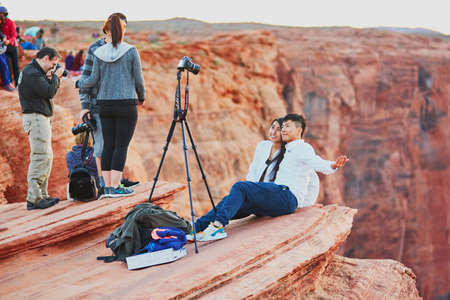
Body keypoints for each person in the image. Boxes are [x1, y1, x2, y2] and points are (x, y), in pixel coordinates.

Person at [190, 113, 349, 241]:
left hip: (286, 196)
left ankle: (217, 227)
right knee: (229, 200)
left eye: (287, 127)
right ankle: (195, 229)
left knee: (240, 187)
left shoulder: (302, 148)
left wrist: (333, 165)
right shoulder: (285, 150)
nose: (283, 130)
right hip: (274, 198)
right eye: (283, 126)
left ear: (299, 130)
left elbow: (317, 163)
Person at [78, 13, 145, 198]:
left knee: (108, 146)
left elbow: (92, 79)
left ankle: (107, 187)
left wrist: (79, 83)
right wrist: (142, 97)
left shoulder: (99, 52)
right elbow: (139, 79)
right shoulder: (131, 51)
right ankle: (116, 188)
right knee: (121, 146)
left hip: (104, 105)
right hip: (126, 104)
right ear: (123, 29)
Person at [18, 47, 65, 210]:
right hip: (36, 118)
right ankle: (34, 198)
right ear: (45, 58)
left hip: (40, 118)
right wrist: (56, 77)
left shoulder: (35, 72)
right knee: (40, 156)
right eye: (53, 63)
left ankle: (42, 195)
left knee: (46, 156)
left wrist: (51, 76)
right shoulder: (31, 73)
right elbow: (49, 91)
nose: (54, 67)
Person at [0, 6, 19, 87]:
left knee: (16, 66)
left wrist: (9, 41)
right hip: (5, 48)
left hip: (13, 47)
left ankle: (18, 84)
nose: (1, 16)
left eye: (1, 14)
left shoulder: (11, 22)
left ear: (5, 14)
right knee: (8, 66)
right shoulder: (0, 23)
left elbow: (14, 35)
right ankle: (10, 83)